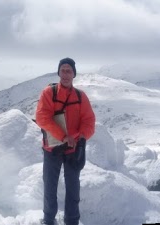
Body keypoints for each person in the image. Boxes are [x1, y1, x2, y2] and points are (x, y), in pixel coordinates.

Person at [35, 57, 96, 225]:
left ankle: (72, 221)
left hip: (72, 149)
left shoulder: (80, 96)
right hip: (52, 149)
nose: (66, 74)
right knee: (50, 187)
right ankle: (48, 220)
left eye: (69, 71)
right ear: (59, 73)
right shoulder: (49, 93)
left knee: (73, 189)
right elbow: (42, 117)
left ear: (74, 74)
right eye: (63, 70)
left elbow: (89, 121)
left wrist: (81, 137)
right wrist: (63, 136)